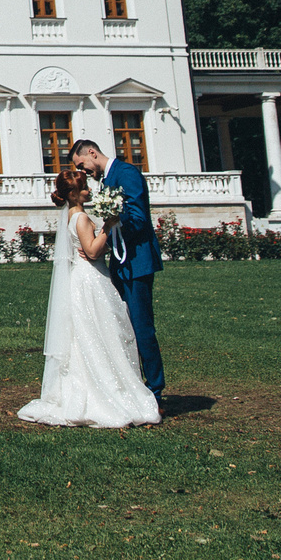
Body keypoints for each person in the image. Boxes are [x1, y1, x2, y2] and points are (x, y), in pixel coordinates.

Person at [16, 166, 161, 429]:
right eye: (84, 188)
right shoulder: (80, 218)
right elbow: (93, 252)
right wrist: (109, 225)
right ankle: (104, 390)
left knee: (96, 333)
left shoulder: (76, 215)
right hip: (90, 279)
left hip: (88, 276)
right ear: (73, 194)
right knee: (99, 332)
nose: (89, 190)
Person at [70, 138, 164, 400]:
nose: (84, 172)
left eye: (82, 165)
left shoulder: (126, 173)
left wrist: (102, 242)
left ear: (91, 153)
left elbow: (137, 218)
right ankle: (132, 385)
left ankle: (155, 390)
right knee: (122, 326)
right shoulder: (108, 180)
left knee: (142, 327)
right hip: (121, 263)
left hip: (137, 261)